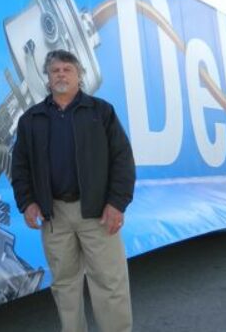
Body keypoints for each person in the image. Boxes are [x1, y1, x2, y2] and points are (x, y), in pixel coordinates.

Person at [11, 49, 136, 332]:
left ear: (79, 75)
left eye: (67, 69)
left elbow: (122, 159)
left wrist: (117, 203)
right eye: (55, 70)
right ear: (48, 78)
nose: (61, 75)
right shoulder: (31, 120)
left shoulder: (101, 112)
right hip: (54, 215)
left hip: (97, 212)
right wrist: (27, 202)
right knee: (65, 285)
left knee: (109, 282)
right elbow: (19, 167)